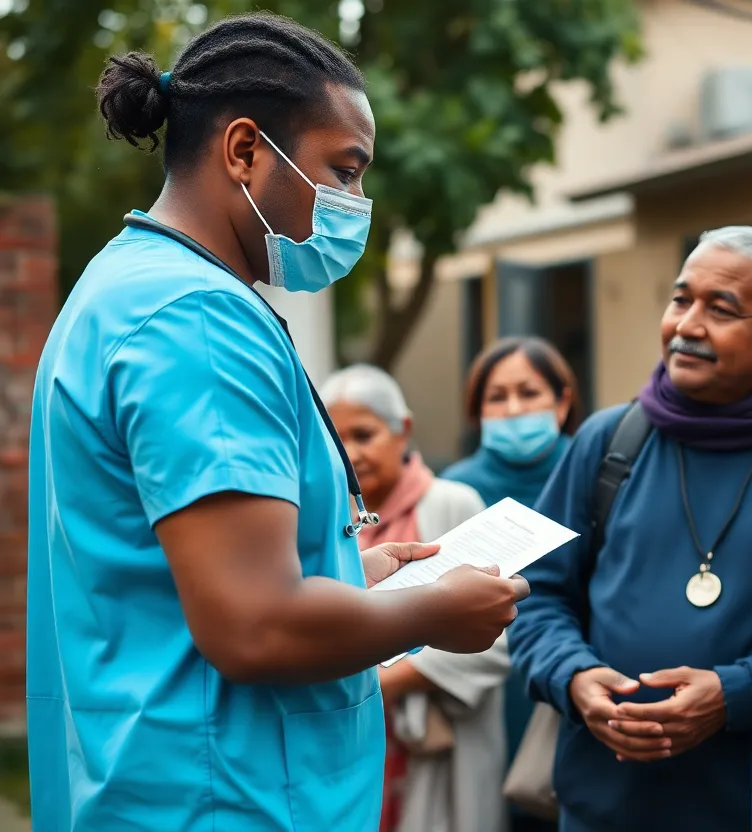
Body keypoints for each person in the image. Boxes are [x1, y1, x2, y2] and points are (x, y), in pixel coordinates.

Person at [26, 14, 526, 832]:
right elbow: (255, 627)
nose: (355, 204)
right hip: (226, 798)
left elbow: (166, 575)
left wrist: (342, 573)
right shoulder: (199, 322)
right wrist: (433, 613)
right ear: (246, 150)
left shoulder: (125, 285)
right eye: (346, 170)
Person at [509, 227, 752, 832]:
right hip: (601, 807)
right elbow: (534, 592)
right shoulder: (609, 442)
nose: (688, 325)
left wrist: (735, 694)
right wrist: (573, 677)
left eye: (721, 308)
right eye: (681, 299)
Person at [320, 363, 511, 832]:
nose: (353, 454)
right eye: (338, 439)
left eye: (365, 434)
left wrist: (381, 681)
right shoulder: (325, 516)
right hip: (350, 742)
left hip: (441, 749)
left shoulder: (452, 503)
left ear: (402, 430)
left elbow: (499, 633)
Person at [442, 336, 579, 832]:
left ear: (563, 401)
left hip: (576, 689)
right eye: (496, 397)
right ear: (476, 411)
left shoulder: (600, 473)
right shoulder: (454, 490)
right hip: (483, 699)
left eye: (529, 392)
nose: (514, 408)